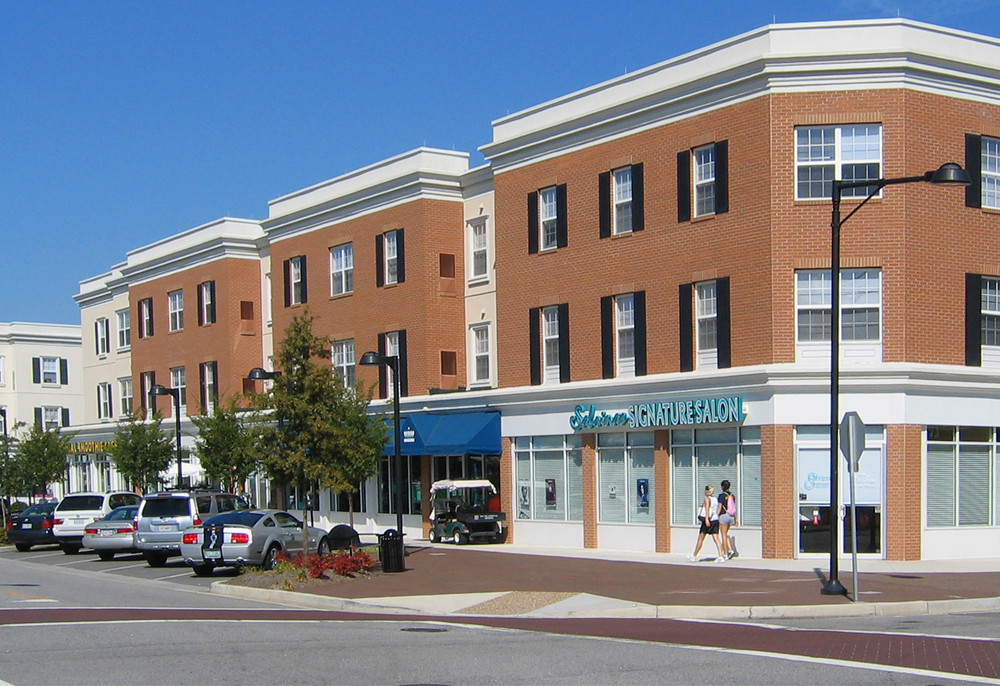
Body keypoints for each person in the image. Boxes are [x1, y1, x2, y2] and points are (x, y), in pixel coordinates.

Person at [687, 485, 725, 563]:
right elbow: (717, 509)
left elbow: (707, 508)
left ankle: (694, 555)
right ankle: (720, 556)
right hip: (715, 520)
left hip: (709, 520)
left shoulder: (707, 499)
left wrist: (707, 519)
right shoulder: (715, 499)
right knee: (716, 538)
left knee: (701, 538)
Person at [717, 479, 738, 559]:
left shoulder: (721, 496)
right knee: (725, 534)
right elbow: (733, 507)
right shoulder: (732, 495)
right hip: (731, 516)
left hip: (723, 516)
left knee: (723, 535)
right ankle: (729, 549)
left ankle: (726, 553)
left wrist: (716, 516)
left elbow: (719, 507)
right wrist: (735, 519)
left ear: (722, 487)